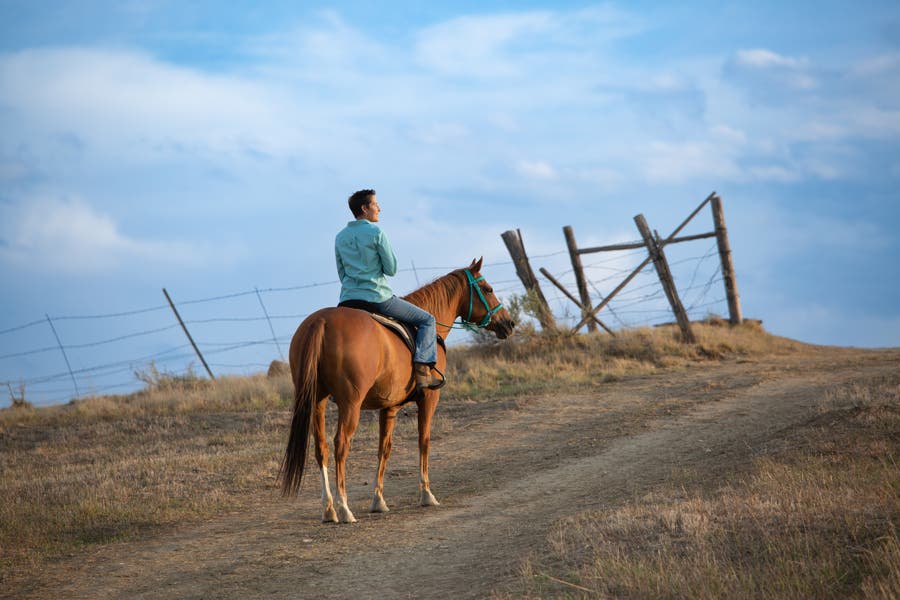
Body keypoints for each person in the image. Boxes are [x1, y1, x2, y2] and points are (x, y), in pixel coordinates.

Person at [335, 189, 443, 390]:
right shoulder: (376, 233)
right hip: (377, 298)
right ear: (364, 208)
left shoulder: (340, 237)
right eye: (376, 205)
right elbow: (391, 269)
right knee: (427, 320)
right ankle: (422, 372)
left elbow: (341, 273)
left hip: (347, 300)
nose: (379, 208)